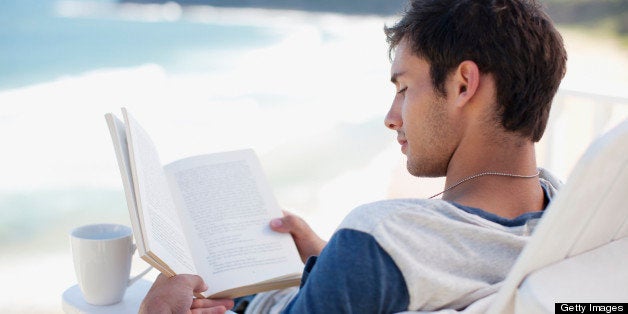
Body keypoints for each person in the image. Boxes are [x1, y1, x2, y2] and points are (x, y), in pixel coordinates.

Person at [140, 0, 567, 312]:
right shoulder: (565, 216)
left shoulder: (379, 239)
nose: (391, 117)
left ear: (462, 85)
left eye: (403, 88)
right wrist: (330, 261)